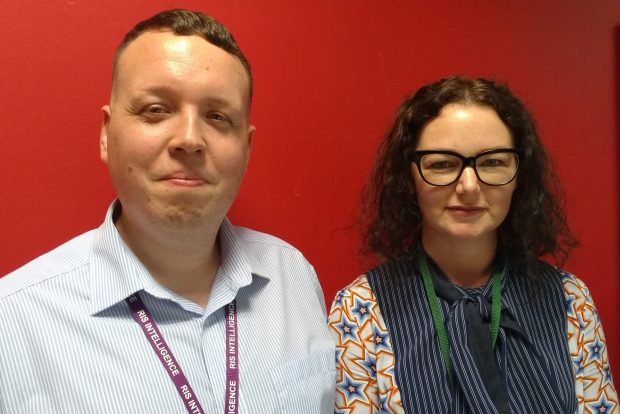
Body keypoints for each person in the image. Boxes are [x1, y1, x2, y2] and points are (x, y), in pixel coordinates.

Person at [0, 9, 334, 413]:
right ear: (106, 135)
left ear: (247, 149)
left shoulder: (292, 277)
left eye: (217, 116)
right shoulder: (13, 322)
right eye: (156, 109)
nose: (190, 139)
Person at [328, 76, 618, 413]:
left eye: (493, 162)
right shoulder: (360, 310)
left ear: (519, 175)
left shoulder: (571, 301)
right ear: (410, 178)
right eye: (442, 164)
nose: (468, 186)